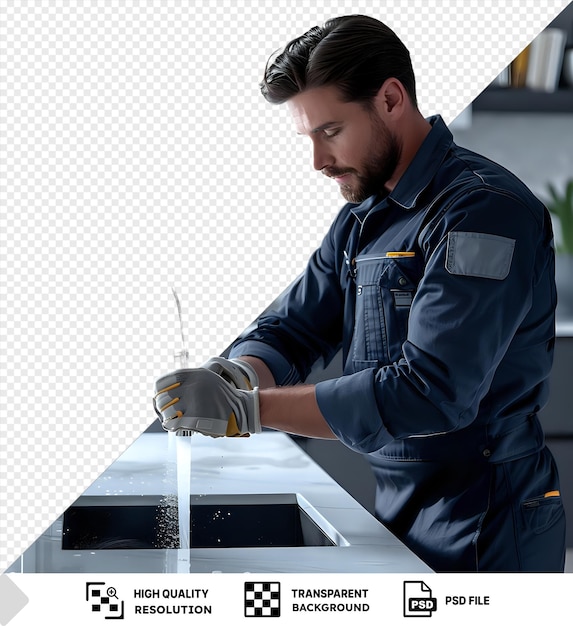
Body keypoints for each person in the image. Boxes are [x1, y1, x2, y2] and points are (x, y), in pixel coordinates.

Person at [154, 15, 566, 572]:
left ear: (391, 99)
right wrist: (236, 375)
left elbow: (431, 391)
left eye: (331, 132)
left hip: (486, 519)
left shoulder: (484, 212)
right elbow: (296, 327)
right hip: (401, 506)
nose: (319, 162)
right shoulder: (363, 216)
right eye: (310, 137)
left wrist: (248, 410)